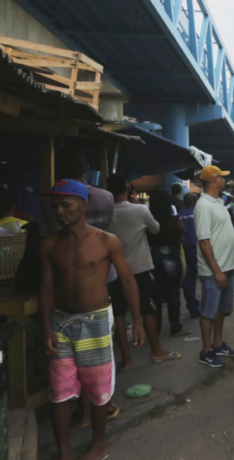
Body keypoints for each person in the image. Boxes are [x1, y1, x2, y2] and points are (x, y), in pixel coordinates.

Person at [40, 179, 145, 460]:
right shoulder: (50, 244)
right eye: (55, 206)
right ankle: (64, 452)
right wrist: (46, 327)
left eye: (65, 205)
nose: (59, 212)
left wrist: (137, 320)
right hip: (60, 323)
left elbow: (128, 281)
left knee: (97, 387)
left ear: (83, 205)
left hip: (95, 322)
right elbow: (46, 288)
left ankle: (98, 445)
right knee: (59, 390)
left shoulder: (106, 241)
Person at [40, 147, 121, 428]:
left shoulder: (52, 203)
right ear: (86, 169)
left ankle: (85, 411)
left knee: (89, 361)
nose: (60, 211)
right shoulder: (106, 197)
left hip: (69, 279)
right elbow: (110, 227)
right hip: (101, 278)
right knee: (92, 359)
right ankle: (98, 404)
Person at [107, 175, 181, 369]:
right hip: (139, 269)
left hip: (115, 271)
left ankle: (126, 359)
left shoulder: (107, 213)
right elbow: (155, 229)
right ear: (128, 188)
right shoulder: (139, 210)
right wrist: (137, 205)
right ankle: (156, 351)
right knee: (148, 310)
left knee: (119, 314)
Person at [195, 166, 234, 368]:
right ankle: (206, 351)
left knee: (222, 309)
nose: (225, 180)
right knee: (208, 311)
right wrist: (217, 271)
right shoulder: (203, 205)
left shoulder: (218, 202)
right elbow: (204, 241)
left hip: (226, 267)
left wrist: (232, 264)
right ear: (214, 180)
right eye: (222, 177)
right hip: (214, 271)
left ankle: (217, 343)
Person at [148, 190, 191, 337]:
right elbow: (183, 233)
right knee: (173, 294)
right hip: (171, 256)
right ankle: (175, 327)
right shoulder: (174, 220)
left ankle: (156, 328)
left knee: (156, 296)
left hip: (152, 257)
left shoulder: (149, 220)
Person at [178, 192, 200, 318]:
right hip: (200, 249)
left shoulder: (179, 216)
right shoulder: (200, 214)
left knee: (189, 279)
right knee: (206, 278)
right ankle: (208, 306)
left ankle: (192, 307)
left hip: (185, 251)